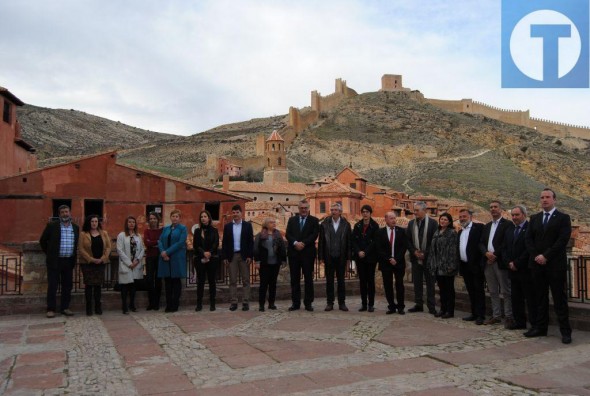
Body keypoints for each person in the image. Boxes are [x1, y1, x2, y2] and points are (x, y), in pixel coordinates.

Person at [524, 188, 573, 344]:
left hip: (555, 265)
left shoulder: (563, 218)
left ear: (554, 199)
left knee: (559, 299)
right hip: (537, 265)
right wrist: (537, 256)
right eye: (542, 197)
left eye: (547, 197)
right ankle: (540, 327)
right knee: (540, 298)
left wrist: (546, 256)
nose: (544, 200)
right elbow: (528, 240)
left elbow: (562, 240)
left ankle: (565, 332)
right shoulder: (535, 218)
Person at [39, 205, 80, 318]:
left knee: (67, 286)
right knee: (53, 285)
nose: (65, 214)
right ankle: (51, 309)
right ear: (59, 214)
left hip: (69, 260)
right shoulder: (52, 226)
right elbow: (42, 241)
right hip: (55, 261)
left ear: (70, 213)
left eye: (66, 212)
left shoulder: (75, 228)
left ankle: (65, 308)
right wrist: (50, 253)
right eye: (62, 212)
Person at [479, 201, 512, 326]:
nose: (493, 209)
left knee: (506, 290)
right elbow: (481, 242)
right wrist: (486, 253)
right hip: (488, 262)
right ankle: (496, 315)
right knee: (492, 291)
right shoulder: (487, 226)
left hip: (500, 262)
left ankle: (509, 316)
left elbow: (506, 242)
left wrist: (495, 255)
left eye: (495, 207)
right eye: (491, 207)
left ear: (501, 209)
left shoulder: (508, 224)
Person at [502, 205, 535, 330]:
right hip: (512, 270)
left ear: (524, 215)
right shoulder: (510, 230)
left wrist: (517, 263)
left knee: (530, 298)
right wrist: (509, 262)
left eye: (517, 215)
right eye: (513, 215)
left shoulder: (529, 229)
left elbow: (529, 249)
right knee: (516, 298)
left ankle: (534, 324)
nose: (514, 217)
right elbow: (504, 248)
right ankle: (519, 322)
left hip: (526, 270)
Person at [286, 200, 320, 311]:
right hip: (294, 254)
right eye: (301, 208)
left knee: (308, 279)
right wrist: (295, 243)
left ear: (308, 208)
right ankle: (295, 303)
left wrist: (303, 243)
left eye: (305, 208)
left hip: (308, 254)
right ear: (298, 208)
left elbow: (314, 235)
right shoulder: (292, 220)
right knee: (294, 279)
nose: (304, 210)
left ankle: (308, 303)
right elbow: (288, 234)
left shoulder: (314, 221)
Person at [318, 203, 352, 312]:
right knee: (329, 281)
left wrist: (348, 258)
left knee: (341, 281)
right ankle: (329, 303)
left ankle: (342, 303)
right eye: (332, 209)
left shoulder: (346, 224)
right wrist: (321, 257)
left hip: (341, 257)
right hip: (329, 257)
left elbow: (349, 242)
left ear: (340, 212)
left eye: (336, 210)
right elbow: (321, 242)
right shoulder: (324, 224)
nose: (333, 212)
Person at [406, 202, 438, 314]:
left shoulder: (433, 224)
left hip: (428, 259)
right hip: (415, 258)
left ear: (425, 211)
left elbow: (434, 241)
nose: (415, 212)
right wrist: (414, 251)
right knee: (417, 283)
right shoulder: (411, 224)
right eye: (414, 210)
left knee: (430, 283)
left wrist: (425, 253)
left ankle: (431, 306)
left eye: (417, 210)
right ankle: (418, 304)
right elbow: (408, 241)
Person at [222, 204, 254, 311]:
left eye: (237, 212)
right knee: (232, 280)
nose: (235, 214)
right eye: (234, 212)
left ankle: (245, 302)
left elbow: (251, 242)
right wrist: (225, 257)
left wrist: (250, 255)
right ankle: (234, 302)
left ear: (241, 213)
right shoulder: (227, 227)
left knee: (246, 280)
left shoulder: (247, 226)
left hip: (244, 256)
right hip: (232, 256)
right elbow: (225, 243)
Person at [78, 214, 111, 316]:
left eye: (96, 221)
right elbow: (81, 249)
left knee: (98, 286)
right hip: (88, 264)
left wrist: (103, 258)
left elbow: (108, 247)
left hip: (100, 263)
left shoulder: (104, 233)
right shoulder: (83, 234)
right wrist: (91, 259)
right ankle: (89, 308)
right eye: (92, 221)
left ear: (98, 223)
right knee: (89, 286)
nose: (94, 223)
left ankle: (98, 307)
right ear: (89, 222)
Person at [376, 211, 409, 315]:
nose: (394, 220)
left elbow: (404, 247)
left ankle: (400, 307)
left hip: (398, 263)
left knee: (399, 285)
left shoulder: (401, 231)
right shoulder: (380, 232)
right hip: (386, 263)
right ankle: (391, 306)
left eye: (394, 218)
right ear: (385, 220)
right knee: (388, 285)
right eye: (391, 218)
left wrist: (396, 259)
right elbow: (379, 248)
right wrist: (389, 258)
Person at [458, 209, 486, 325]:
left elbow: (482, 244)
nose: (462, 218)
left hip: (476, 266)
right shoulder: (460, 232)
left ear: (470, 216)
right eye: (460, 216)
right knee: (470, 290)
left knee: (479, 290)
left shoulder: (478, 228)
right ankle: (474, 313)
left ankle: (480, 315)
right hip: (465, 265)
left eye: (464, 216)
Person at [428, 213, 458, 318]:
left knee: (449, 290)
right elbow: (433, 249)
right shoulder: (437, 232)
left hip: (447, 266)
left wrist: (451, 265)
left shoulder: (452, 233)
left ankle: (450, 311)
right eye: (441, 219)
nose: (443, 221)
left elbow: (453, 251)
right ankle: (443, 309)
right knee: (442, 289)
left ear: (449, 222)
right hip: (438, 266)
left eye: (445, 220)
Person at [158, 209, 188, 313]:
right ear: (170, 217)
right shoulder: (166, 229)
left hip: (176, 258)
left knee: (176, 282)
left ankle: (175, 304)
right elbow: (160, 241)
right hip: (166, 259)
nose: (174, 218)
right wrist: (163, 252)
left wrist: (167, 252)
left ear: (180, 218)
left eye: (177, 216)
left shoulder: (183, 229)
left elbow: (180, 243)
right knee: (167, 283)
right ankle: (168, 304)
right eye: (173, 216)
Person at [254, 218, 287, 312]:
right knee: (263, 285)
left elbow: (282, 247)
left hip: (275, 263)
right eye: (271, 222)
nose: (274, 224)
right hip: (264, 263)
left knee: (273, 284)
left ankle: (271, 303)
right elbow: (256, 249)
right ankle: (261, 304)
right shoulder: (260, 235)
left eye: (274, 222)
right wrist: (257, 261)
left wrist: (283, 259)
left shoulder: (277, 234)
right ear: (266, 224)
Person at [352, 204, 380, 312]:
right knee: (362, 281)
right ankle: (363, 304)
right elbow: (353, 240)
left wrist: (365, 252)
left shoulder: (375, 226)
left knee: (370, 281)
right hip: (360, 258)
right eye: (363, 211)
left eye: (367, 212)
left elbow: (375, 242)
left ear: (370, 213)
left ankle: (371, 304)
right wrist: (358, 251)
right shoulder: (357, 225)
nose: (365, 213)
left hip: (371, 258)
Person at [117, 216, 145, 314]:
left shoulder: (138, 236)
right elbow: (119, 250)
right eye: (129, 222)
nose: (131, 224)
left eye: (133, 222)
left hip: (136, 264)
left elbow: (142, 249)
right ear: (126, 223)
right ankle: (124, 306)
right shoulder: (121, 235)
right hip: (126, 264)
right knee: (125, 286)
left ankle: (132, 305)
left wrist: (137, 261)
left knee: (133, 286)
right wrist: (129, 263)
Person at [193, 210, 219, 312]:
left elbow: (216, 243)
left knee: (212, 281)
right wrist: (203, 253)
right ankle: (199, 304)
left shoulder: (214, 230)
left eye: (205, 216)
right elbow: (196, 245)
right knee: (200, 282)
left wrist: (209, 253)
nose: (203, 218)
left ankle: (212, 304)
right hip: (200, 259)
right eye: (201, 217)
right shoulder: (197, 231)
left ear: (209, 218)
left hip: (212, 259)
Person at [144, 212, 163, 311]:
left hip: (159, 257)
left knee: (158, 280)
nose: (152, 220)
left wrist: (154, 243)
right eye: (150, 218)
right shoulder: (146, 231)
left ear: (157, 219)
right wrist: (157, 242)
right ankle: (151, 302)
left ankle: (157, 303)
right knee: (150, 280)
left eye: (154, 218)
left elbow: (162, 241)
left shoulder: (162, 230)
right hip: (150, 258)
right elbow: (147, 243)